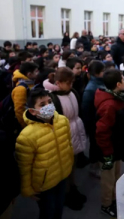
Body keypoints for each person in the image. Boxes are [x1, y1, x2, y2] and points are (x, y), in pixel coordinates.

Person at [15, 89, 73, 219]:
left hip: (62, 175)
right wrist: (27, 189)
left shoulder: (62, 121)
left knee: (59, 208)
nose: (48, 106)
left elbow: (68, 145)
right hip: (44, 185)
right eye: (42, 104)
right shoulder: (27, 136)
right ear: (32, 111)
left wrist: (69, 163)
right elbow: (24, 167)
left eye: (50, 102)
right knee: (47, 212)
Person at [43, 68, 87, 210]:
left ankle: (72, 188)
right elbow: (47, 124)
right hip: (61, 137)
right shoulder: (50, 98)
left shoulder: (71, 92)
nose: (71, 85)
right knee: (64, 167)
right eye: (68, 82)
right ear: (58, 83)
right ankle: (66, 194)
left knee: (72, 164)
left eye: (72, 82)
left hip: (74, 132)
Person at [95, 69, 124, 217]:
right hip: (108, 151)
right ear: (118, 84)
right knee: (108, 180)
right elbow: (101, 132)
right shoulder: (109, 105)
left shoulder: (116, 98)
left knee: (116, 176)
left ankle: (113, 198)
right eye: (123, 79)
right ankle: (106, 204)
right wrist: (107, 154)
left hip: (115, 147)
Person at [82, 61, 105, 177]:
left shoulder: (100, 84)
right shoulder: (91, 89)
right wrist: (88, 126)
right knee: (95, 145)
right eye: (103, 71)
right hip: (94, 122)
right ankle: (94, 166)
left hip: (98, 121)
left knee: (98, 144)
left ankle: (97, 164)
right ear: (97, 73)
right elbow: (86, 109)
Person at [12, 62, 39, 129]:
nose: (38, 73)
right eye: (36, 71)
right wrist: (25, 125)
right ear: (29, 74)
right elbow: (19, 110)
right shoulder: (21, 88)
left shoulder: (30, 82)